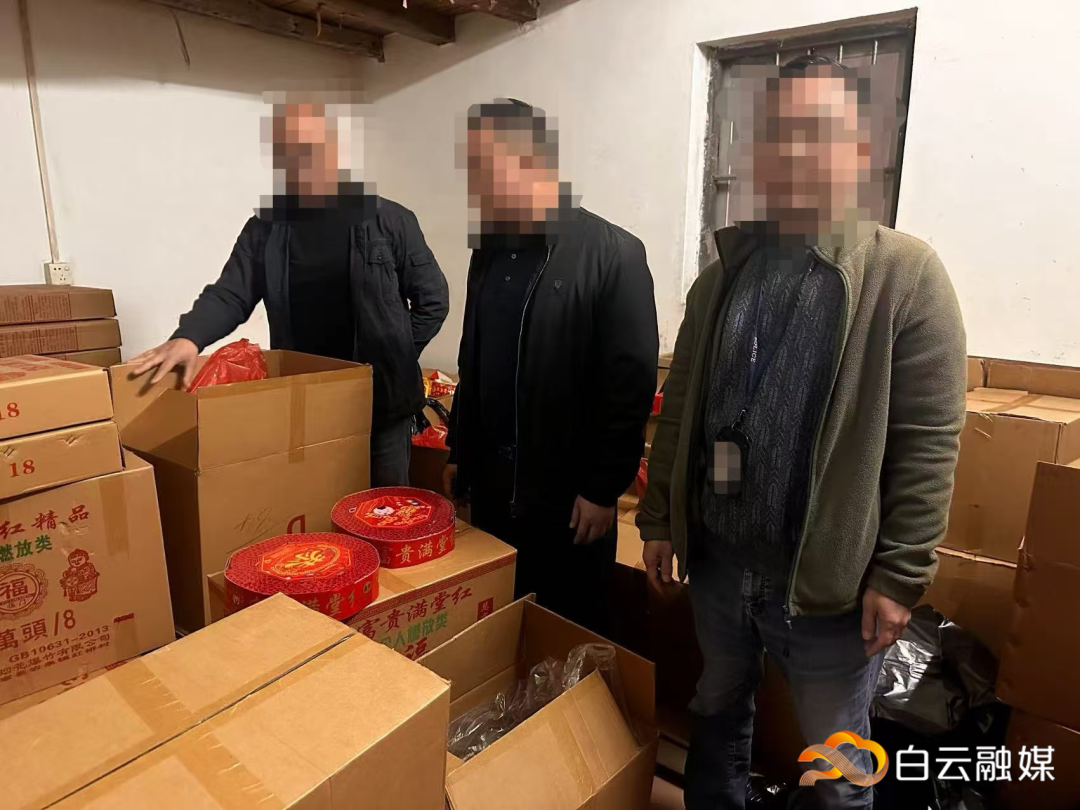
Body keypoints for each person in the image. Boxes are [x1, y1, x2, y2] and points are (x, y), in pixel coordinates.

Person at [637, 55, 966, 809]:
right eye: (776, 132)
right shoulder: (724, 275)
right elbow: (684, 407)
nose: (790, 151)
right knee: (718, 704)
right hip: (720, 563)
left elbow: (928, 441)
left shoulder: (905, 276)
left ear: (860, 148)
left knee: (837, 763)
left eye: (814, 131)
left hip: (826, 587)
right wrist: (660, 518)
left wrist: (900, 574)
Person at [131, 99, 449, 486]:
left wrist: (393, 354)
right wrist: (189, 337)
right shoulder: (265, 228)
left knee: (382, 507)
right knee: (315, 502)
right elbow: (232, 293)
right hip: (305, 401)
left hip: (379, 403)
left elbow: (432, 300)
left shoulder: (388, 219)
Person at [443, 99, 659, 633]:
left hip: (568, 501)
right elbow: (474, 357)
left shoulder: (613, 254)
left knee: (567, 632)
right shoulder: (488, 251)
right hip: (494, 490)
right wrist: (459, 451)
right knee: (502, 625)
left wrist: (603, 488)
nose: (476, 183)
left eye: (485, 166)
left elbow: (629, 385)